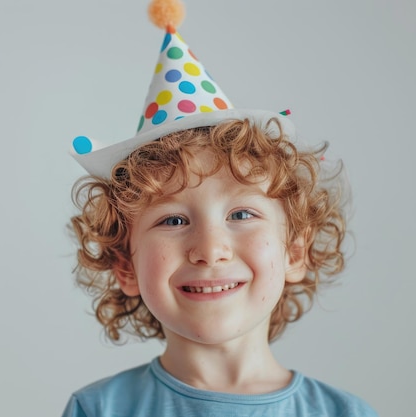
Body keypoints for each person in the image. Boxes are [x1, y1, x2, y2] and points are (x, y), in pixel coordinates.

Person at [63, 1, 378, 416]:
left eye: (241, 215)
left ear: (295, 252)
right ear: (125, 265)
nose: (210, 249)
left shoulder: (346, 414)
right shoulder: (98, 409)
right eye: (173, 219)